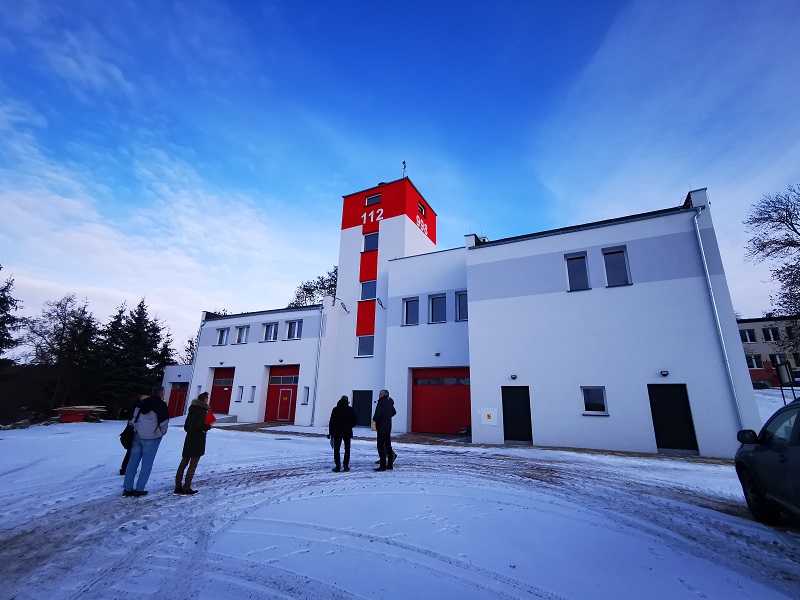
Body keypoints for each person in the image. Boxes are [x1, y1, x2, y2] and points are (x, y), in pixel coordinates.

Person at [122, 385, 169, 497]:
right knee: (146, 464)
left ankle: (127, 488)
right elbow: (164, 422)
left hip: (137, 436)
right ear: (161, 393)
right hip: (152, 437)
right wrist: (160, 433)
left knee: (132, 462)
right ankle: (139, 489)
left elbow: (133, 418)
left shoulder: (142, 403)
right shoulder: (161, 405)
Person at [175, 392, 212, 494]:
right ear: (205, 400)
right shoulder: (203, 412)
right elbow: (201, 426)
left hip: (189, 438)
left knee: (183, 463)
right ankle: (186, 487)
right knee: (193, 464)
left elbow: (186, 427)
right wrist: (208, 426)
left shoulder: (192, 410)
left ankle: (178, 486)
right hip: (198, 440)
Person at [328, 395, 358, 472]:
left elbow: (331, 422)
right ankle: (346, 466)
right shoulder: (350, 409)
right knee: (347, 449)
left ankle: (338, 466)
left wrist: (331, 432)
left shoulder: (335, 409)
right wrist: (350, 426)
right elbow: (355, 420)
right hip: (347, 432)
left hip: (337, 432)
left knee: (336, 449)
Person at [119, 394, 148, 475]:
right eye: (144, 396)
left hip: (134, 430)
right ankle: (126, 468)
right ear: (140, 397)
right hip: (133, 430)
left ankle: (126, 468)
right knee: (132, 450)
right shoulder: (138, 406)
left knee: (132, 451)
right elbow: (133, 419)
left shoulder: (140, 405)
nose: (146, 398)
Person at [372, 389, 396, 472]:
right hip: (388, 427)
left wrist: (375, 419)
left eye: (380, 394)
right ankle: (390, 464)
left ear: (382, 395)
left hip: (381, 427)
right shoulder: (389, 402)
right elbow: (394, 412)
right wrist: (387, 416)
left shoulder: (381, 402)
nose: (379, 395)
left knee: (381, 446)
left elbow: (378, 414)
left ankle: (382, 465)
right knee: (388, 446)